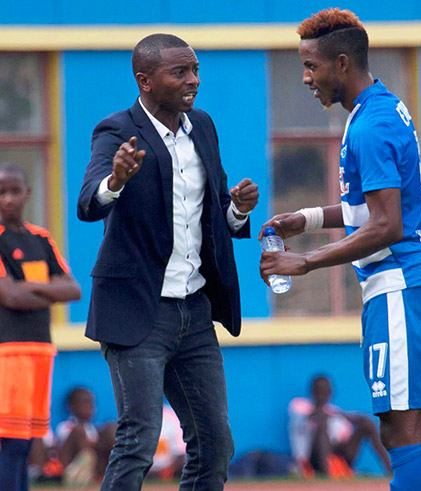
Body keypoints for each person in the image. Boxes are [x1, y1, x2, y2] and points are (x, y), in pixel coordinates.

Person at [259, 8, 421, 490]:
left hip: (403, 283)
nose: (306, 78)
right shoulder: (379, 110)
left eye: (312, 66)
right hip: (413, 283)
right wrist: (304, 220)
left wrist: (302, 262)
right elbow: (373, 210)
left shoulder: (369, 126)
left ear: (342, 63)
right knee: (403, 429)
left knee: (401, 429)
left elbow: (388, 226)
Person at [77, 33, 260, 489]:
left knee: (215, 443)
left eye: (195, 70)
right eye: (180, 72)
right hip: (138, 310)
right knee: (139, 438)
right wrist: (115, 180)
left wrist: (237, 208)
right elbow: (87, 205)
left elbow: (217, 212)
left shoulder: (203, 126)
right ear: (145, 80)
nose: (193, 81)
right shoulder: (117, 130)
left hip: (194, 312)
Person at [0, 163, 82, 491]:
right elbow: (7, 294)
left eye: (14, 190)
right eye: (0, 191)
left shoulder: (41, 238)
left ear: (28, 193)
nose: (8, 198)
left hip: (41, 349)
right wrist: (48, 291)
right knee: (12, 442)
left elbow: (74, 290)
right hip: (11, 350)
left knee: (29, 442)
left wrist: (27, 289)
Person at [288, 375, 392, 479]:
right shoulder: (299, 405)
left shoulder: (334, 411)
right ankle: (327, 476)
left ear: (331, 393)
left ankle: (390, 471)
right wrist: (337, 415)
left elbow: (342, 438)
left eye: (326, 391)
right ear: (312, 391)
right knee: (322, 425)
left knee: (366, 422)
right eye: (319, 390)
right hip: (311, 459)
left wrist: (351, 418)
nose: (322, 394)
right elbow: (310, 416)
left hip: (335, 455)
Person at [52, 387, 115, 485]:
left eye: (91, 403)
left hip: (95, 465)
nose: (89, 407)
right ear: (71, 406)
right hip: (71, 466)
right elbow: (66, 449)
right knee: (79, 433)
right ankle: (81, 475)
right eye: (85, 403)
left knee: (111, 428)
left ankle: (109, 474)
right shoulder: (66, 426)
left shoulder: (93, 428)